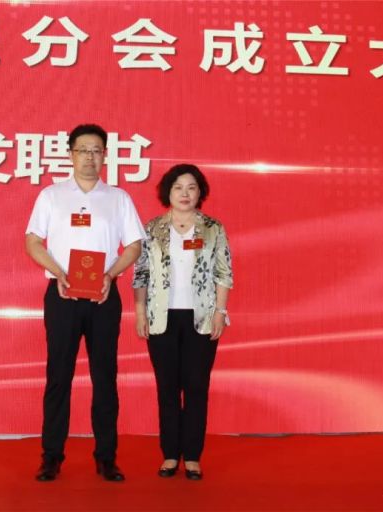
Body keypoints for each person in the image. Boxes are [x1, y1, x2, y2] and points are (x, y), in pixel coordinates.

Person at [25, 123, 145, 482]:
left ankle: (106, 457)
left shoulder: (118, 198)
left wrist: (110, 275)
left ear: (105, 155)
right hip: (62, 295)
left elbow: (134, 245)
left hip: (104, 296)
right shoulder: (52, 195)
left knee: (105, 377)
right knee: (58, 376)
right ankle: (51, 456)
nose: (89, 157)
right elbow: (32, 241)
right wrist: (58, 272)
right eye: (82, 150)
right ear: (70, 154)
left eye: (96, 151)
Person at [132, 163, 233, 480]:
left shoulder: (213, 228)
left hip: (201, 318)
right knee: (167, 388)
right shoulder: (152, 229)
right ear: (168, 192)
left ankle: (192, 456)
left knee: (196, 387)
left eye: (191, 187)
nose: (185, 193)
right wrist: (139, 312)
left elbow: (224, 273)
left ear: (200, 192)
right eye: (178, 187)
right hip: (161, 318)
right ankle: (169, 454)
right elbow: (141, 274)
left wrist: (220, 312)